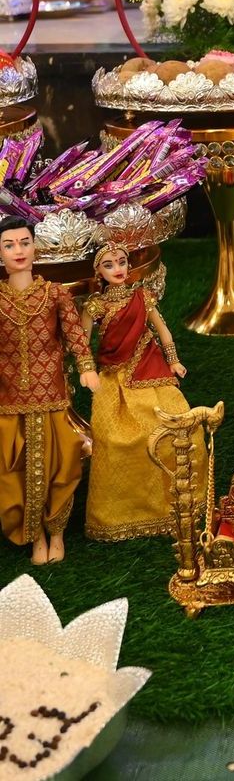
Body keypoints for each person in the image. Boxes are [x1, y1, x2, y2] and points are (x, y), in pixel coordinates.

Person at [81, 244, 205, 541]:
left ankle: (180, 506)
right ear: (98, 272)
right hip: (114, 378)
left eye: (122, 262)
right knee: (115, 439)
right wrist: (86, 370)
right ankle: (121, 516)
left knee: (178, 429)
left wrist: (173, 361)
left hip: (151, 369)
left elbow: (163, 331)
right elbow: (82, 344)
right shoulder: (95, 307)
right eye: (109, 265)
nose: (118, 269)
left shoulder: (142, 297)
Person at [0, 216, 99, 564]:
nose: (18, 250)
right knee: (14, 469)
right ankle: (35, 536)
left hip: (52, 395)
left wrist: (87, 367)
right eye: (9, 245)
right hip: (10, 398)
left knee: (62, 465)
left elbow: (75, 335)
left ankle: (56, 532)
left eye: (24, 242)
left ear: (35, 248)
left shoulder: (54, 294)